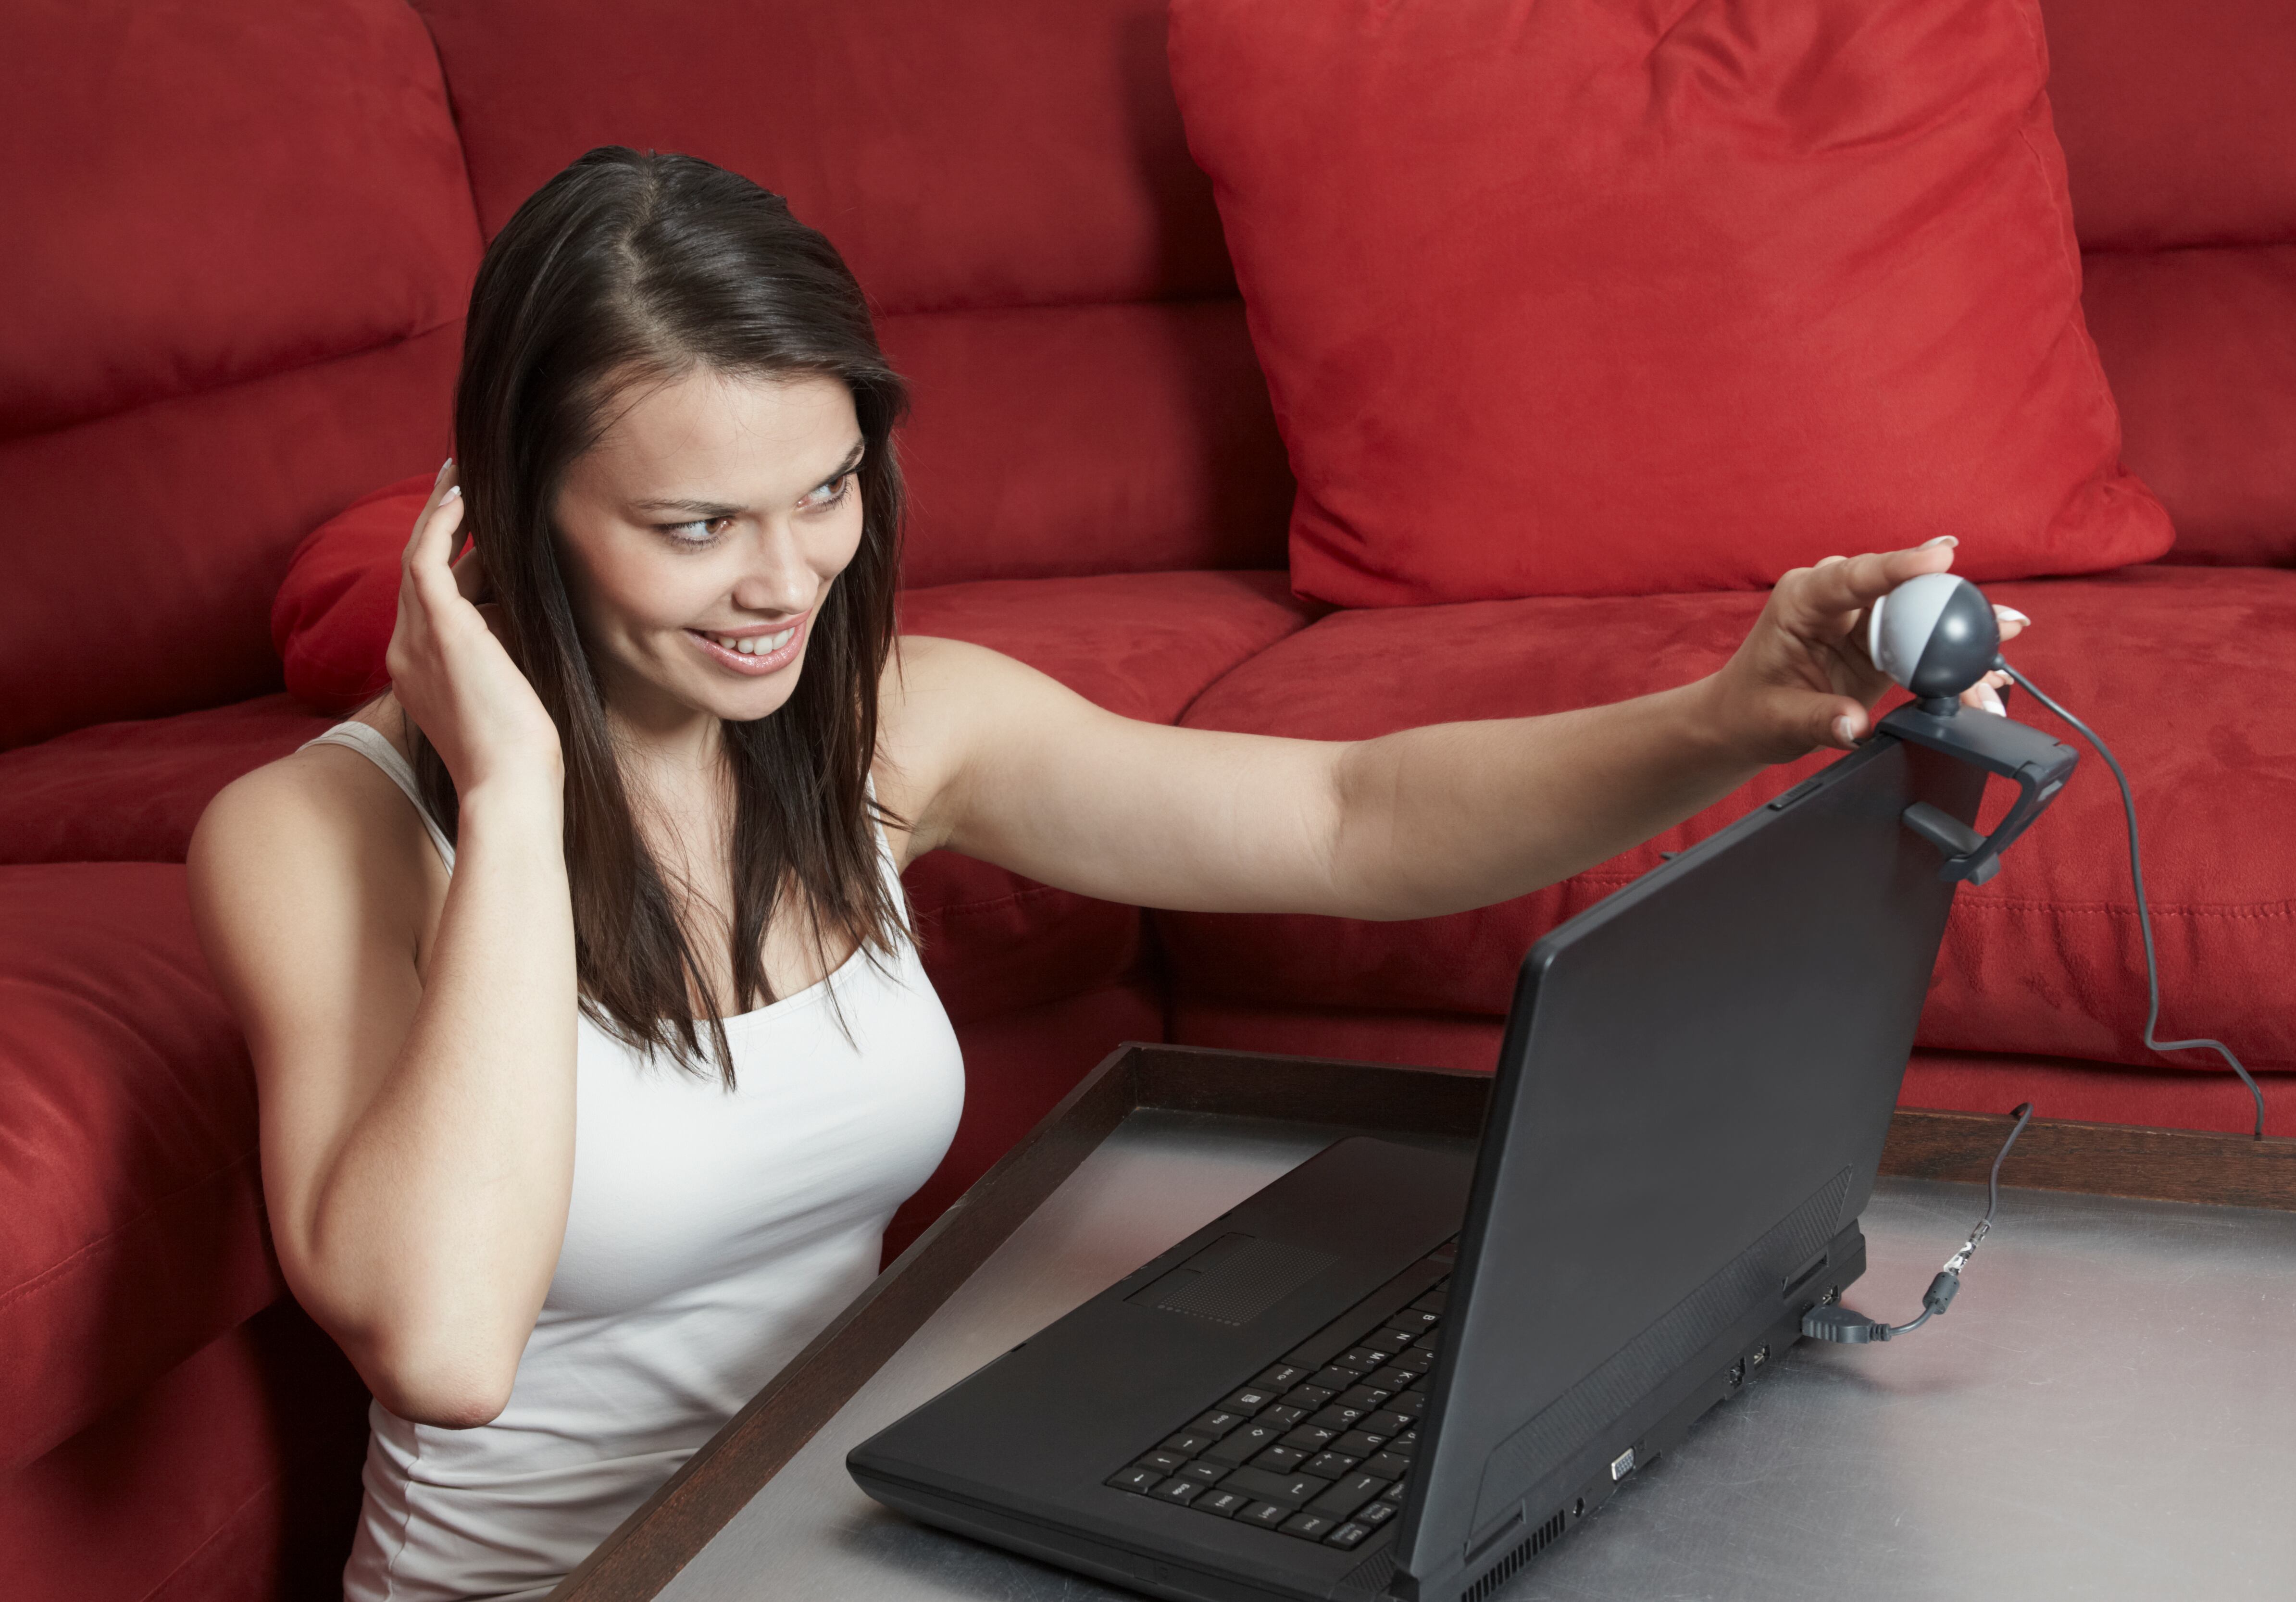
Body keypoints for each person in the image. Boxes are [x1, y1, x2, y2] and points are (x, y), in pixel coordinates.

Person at [184, 146, 2021, 1602]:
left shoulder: (889, 731)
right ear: (503, 521)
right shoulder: (318, 838)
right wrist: (510, 791)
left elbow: (1348, 825)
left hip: (836, 1547)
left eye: (826, 490)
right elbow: (438, 1344)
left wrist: (1731, 715)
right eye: (692, 528)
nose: (784, 582)